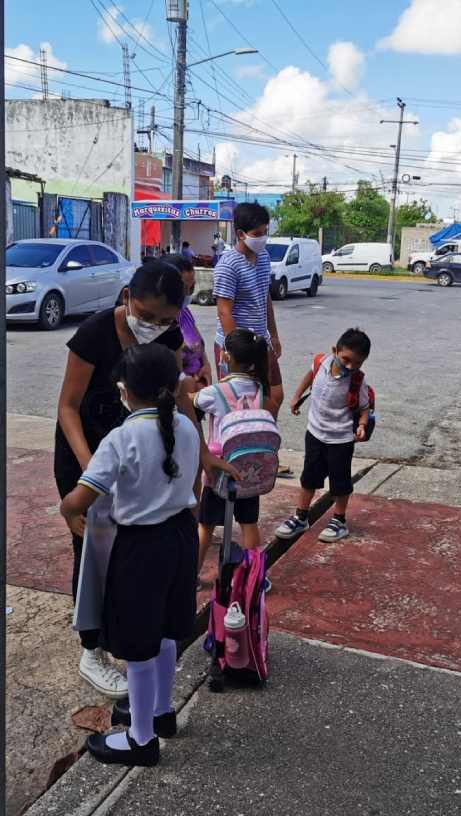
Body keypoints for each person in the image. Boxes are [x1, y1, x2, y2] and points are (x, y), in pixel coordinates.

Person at [55, 260, 231, 698]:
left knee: (132, 552)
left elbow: (177, 398)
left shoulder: (169, 337)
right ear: (128, 298)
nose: (154, 326)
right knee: (93, 551)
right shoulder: (94, 334)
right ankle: (92, 649)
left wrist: (205, 456)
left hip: (142, 452)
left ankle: (127, 635)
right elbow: (68, 407)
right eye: (146, 315)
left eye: (165, 320)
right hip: (89, 449)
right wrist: (90, 465)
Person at [60, 344, 200, 768]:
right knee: (165, 633)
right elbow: (192, 486)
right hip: (180, 538)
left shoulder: (121, 438)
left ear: (123, 390)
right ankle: (160, 711)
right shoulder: (188, 429)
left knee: (138, 644)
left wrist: (68, 509)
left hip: (140, 546)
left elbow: (83, 495)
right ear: (173, 387)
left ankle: (141, 739)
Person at [212, 202, 292, 476]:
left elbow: (265, 298)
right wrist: (234, 351)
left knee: (275, 395)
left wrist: (274, 334)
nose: (263, 237)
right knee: (236, 404)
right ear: (241, 233)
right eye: (258, 232)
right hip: (237, 347)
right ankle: (229, 458)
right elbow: (224, 310)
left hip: (262, 342)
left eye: (265, 231)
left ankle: (265, 451)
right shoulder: (227, 265)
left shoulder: (264, 258)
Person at [276, 328, 372, 544]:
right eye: (346, 359)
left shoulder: (357, 381)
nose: (350, 367)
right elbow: (309, 376)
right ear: (334, 351)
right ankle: (301, 516)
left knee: (340, 481)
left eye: (356, 363)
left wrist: (362, 425)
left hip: (341, 440)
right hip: (315, 433)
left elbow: (365, 407)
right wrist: (296, 396)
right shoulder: (320, 362)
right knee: (309, 477)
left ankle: (339, 520)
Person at [193, 328, 270, 572]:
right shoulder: (259, 388)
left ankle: (192, 575)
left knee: (205, 525)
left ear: (226, 357)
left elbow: (189, 400)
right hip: (251, 469)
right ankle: (254, 575)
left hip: (219, 470)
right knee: (249, 524)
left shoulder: (217, 392)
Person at [163, 255, 211, 394]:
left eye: (192, 288)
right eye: (184, 289)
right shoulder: (160, 323)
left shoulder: (184, 312)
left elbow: (199, 345)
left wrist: (206, 366)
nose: (188, 294)